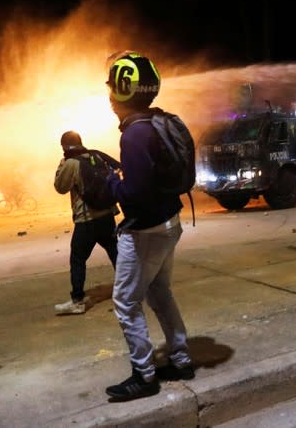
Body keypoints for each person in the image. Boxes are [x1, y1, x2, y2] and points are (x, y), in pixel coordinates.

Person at [103, 50, 194, 402]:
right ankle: (181, 359)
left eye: (113, 87)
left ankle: (144, 375)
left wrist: (109, 183)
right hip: (169, 222)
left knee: (126, 302)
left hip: (146, 231)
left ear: (123, 91)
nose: (109, 95)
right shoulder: (155, 123)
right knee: (160, 293)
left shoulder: (135, 135)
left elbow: (135, 195)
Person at [53, 131, 120, 314]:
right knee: (116, 253)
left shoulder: (71, 163)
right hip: (107, 214)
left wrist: (62, 165)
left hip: (87, 219)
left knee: (77, 259)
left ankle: (77, 300)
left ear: (64, 147)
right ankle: (129, 289)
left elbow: (60, 187)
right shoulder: (96, 155)